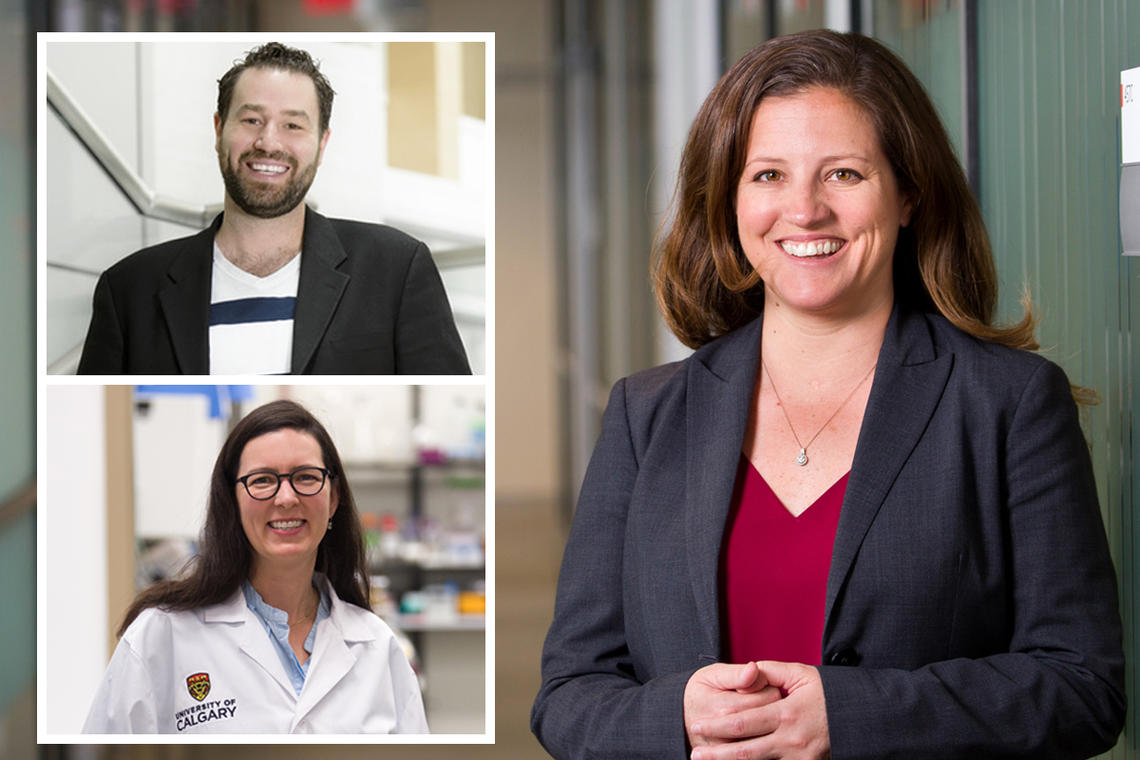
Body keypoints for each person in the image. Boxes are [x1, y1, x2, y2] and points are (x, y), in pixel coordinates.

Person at [531, 30, 1124, 760]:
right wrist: (673, 716)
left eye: (843, 174)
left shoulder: (1010, 404)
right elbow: (568, 696)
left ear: (908, 193)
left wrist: (852, 714)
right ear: (729, 201)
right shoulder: (646, 415)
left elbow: (1082, 686)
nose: (804, 211)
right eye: (769, 176)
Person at [76, 42, 470, 375]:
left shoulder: (396, 268)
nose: (268, 142)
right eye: (251, 119)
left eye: (292, 126)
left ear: (322, 143)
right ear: (218, 130)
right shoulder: (129, 289)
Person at [83, 399, 428, 734]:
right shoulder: (162, 636)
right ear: (232, 500)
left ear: (333, 497)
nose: (286, 498)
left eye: (306, 477)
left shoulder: (378, 648)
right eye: (262, 480)